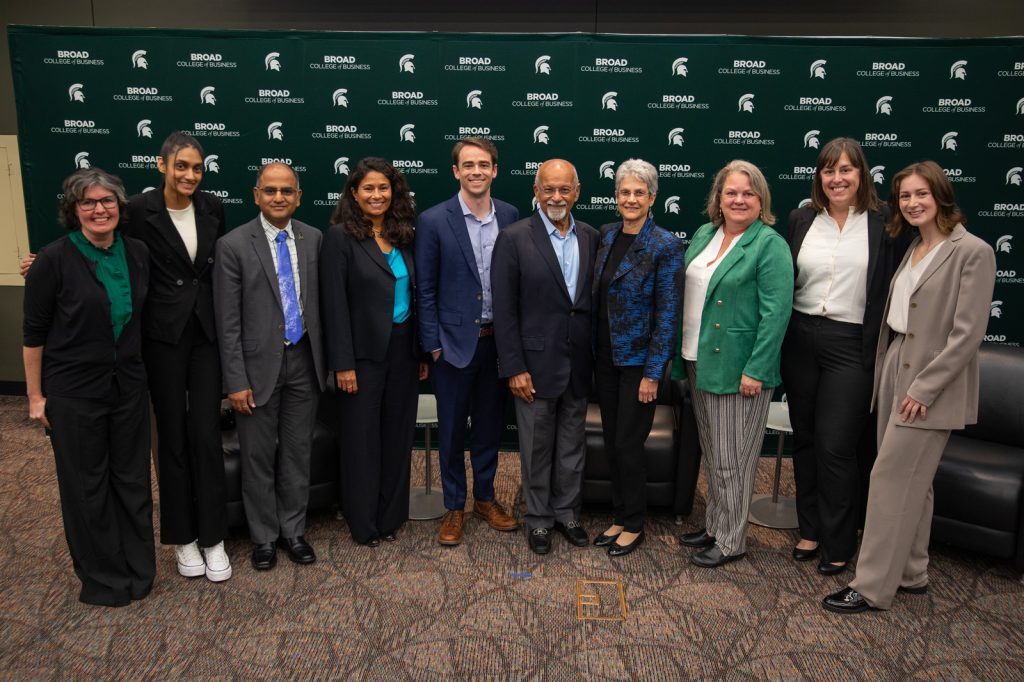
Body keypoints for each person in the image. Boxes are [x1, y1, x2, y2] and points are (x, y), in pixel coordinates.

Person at [20, 132, 232, 582]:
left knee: (207, 435)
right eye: (181, 166)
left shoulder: (213, 207)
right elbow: (96, 245)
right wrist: (40, 262)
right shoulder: (135, 209)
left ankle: (214, 536)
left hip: (205, 337)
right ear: (162, 166)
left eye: (196, 167)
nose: (189, 175)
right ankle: (184, 539)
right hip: (160, 340)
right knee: (170, 438)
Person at [823, 161, 995, 614]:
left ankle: (873, 586)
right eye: (904, 196)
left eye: (921, 194)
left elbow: (967, 335)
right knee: (913, 481)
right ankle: (912, 571)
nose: (913, 203)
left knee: (888, 480)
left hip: (930, 381)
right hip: (895, 366)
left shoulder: (972, 251)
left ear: (941, 194)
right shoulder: (914, 247)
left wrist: (924, 388)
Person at [23, 168, 154, 606]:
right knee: (87, 488)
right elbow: (33, 333)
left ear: (120, 207)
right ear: (73, 210)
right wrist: (35, 396)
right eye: (88, 202)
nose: (100, 209)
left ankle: (139, 569)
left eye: (108, 201)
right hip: (74, 393)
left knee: (132, 481)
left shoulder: (137, 252)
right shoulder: (53, 260)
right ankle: (104, 579)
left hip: (129, 388)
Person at [781, 138, 911, 576]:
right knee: (805, 439)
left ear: (862, 175)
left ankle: (840, 540)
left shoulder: (886, 223)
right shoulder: (801, 220)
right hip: (799, 338)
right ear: (819, 177)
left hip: (852, 344)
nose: (837, 178)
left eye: (846, 170)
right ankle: (810, 529)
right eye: (828, 170)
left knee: (837, 445)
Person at [674, 159, 794, 568]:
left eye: (748, 193)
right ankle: (715, 525)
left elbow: (776, 314)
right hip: (698, 359)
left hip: (740, 369)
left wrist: (757, 370)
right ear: (718, 199)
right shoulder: (706, 233)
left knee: (733, 461)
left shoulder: (769, 244)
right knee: (715, 453)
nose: (739, 200)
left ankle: (731, 541)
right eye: (731, 192)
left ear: (761, 201)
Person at [213, 162, 326, 571]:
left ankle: (293, 531)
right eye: (271, 190)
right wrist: (235, 381)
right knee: (258, 457)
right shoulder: (233, 245)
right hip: (256, 368)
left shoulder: (313, 239)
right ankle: (264, 537)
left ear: (298, 196)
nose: (279, 198)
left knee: (297, 453)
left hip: (304, 362)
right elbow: (226, 323)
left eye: (287, 191)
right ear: (256, 194)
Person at [414, 137, 520, 546]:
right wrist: (432, 345)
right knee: (453, 430)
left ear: (495, 170)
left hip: (498, 344)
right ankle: (454, 506)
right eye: (467, 165)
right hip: (453, 345)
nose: (476, 171)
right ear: (456, 171)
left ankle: (486, 499)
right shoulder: (434, 220)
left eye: (484, 164)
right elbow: (426, 289)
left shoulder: (510, 215)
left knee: (491, 427)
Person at [491, 159, 599, 555]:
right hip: (533, 366)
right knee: (536, 447)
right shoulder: (514, 237)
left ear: (577, 192)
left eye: (564, 189)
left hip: (578, 364)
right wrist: (514, 367)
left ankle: (566, 513)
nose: (557, 196)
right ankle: (537, 519)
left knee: (572, 446)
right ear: (536, 192)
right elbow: (504, 311)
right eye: (549, 189)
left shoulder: (590, 236)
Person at [321, 158, 428, 547]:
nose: (377, 195)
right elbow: (334, 305)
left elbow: (416, 296)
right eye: (368, 188)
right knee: (361, 439)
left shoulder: (405, 235)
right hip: (361, 356)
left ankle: (391, 515)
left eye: (384, 188)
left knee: (398, 436)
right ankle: (363, 521)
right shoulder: (339, 238)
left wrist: (418, 352)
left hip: (403, 349)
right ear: (354, 193)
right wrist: (343, 364)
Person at [591, 159, 685, 557]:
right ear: (616, 198)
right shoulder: (607, 235)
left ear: (652, 197)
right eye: (624, 192)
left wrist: (653, 374)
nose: (630, 199)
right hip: (604, 358)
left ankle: (635, 523)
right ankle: (618, 514)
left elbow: (667, 316)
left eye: (638, 193)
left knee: (630, 443)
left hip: (638, 365)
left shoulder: (665, 245)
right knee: (613, 441)